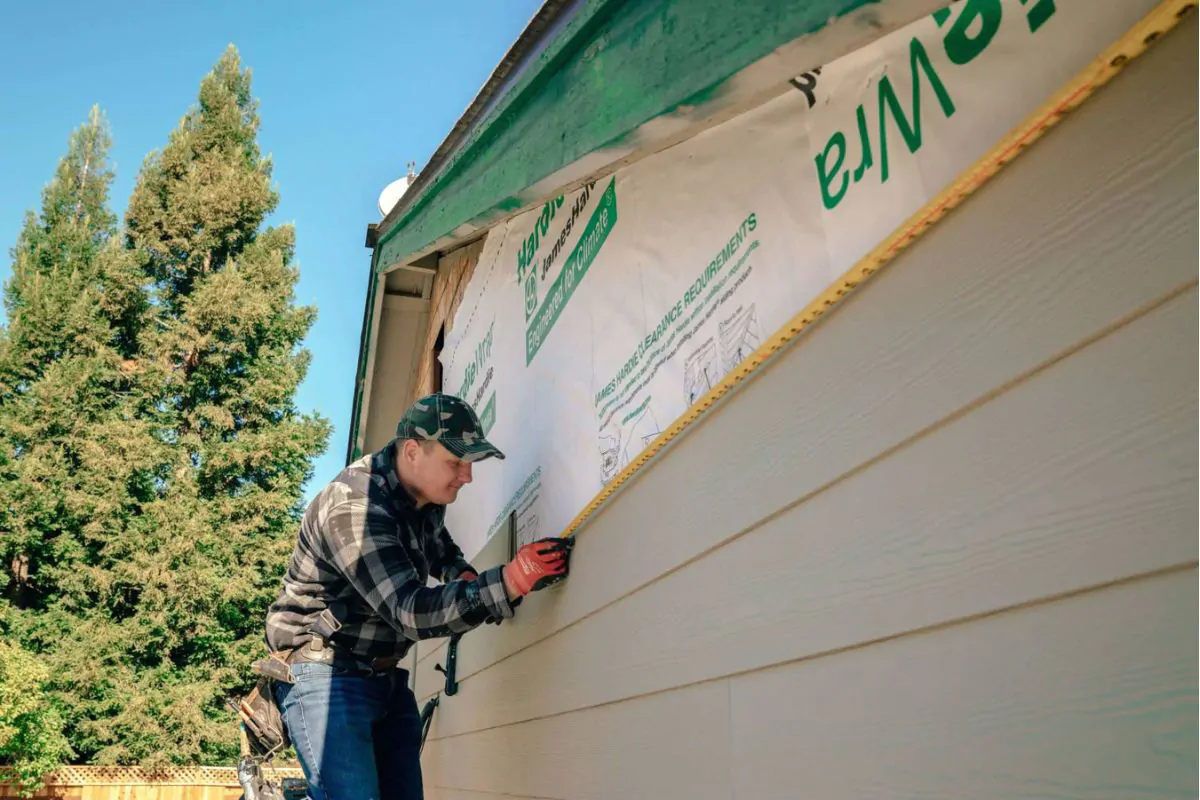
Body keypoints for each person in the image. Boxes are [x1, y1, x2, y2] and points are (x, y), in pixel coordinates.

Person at [262, 392, 572, 799]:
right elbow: (409, 611)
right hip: (326, 675)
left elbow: (437, 545)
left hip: (384, 675)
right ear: (412, 451)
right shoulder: (355, 509)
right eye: (456, 463)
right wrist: (510, 581)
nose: (467, 476)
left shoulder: (422, 496)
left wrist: (458, 572)